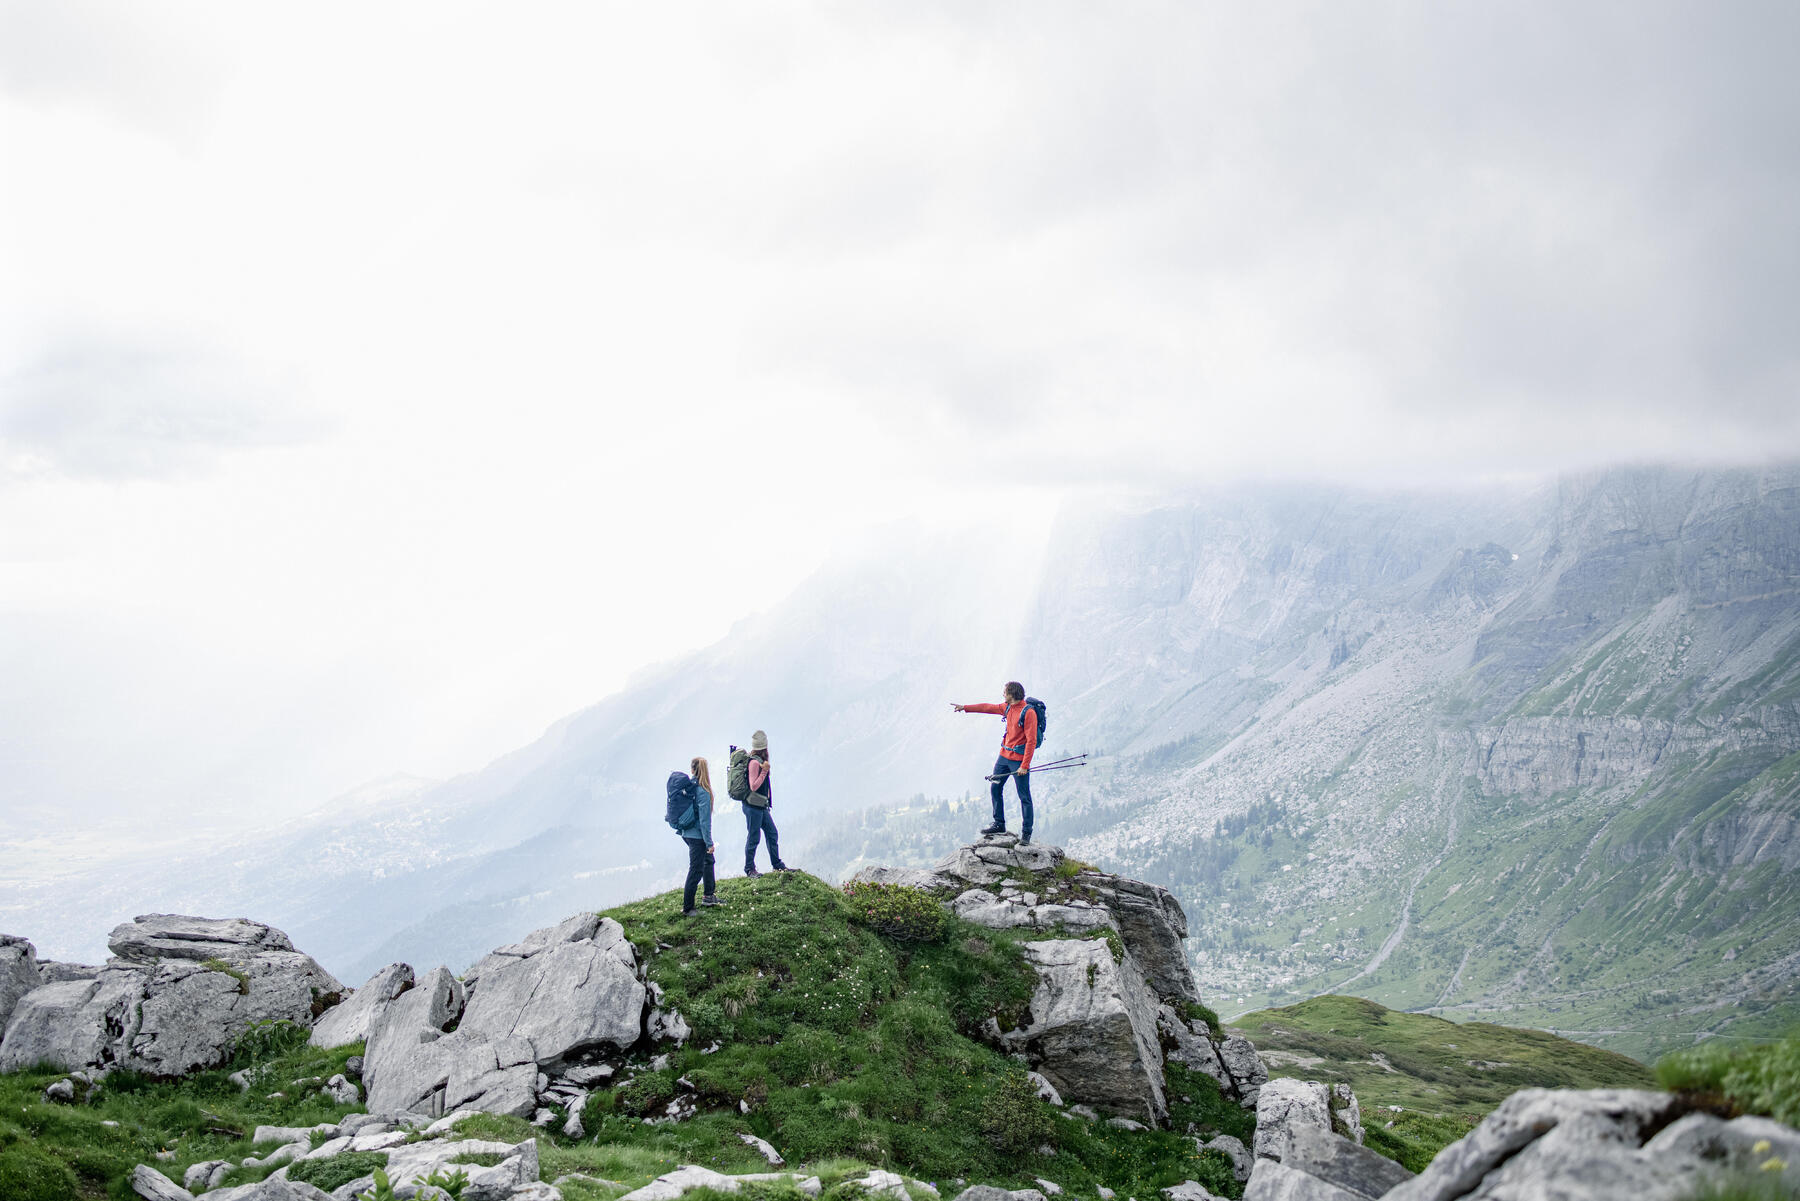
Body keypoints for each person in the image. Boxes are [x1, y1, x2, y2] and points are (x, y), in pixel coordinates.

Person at [952, 681, 1038, 845]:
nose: (1003, 694)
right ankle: (999, 824)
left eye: (1005, 692)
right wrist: (965, 707)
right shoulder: (1007, 707)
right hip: (1004, 756)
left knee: (1024, 796)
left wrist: (1024, 766)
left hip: (1018, 760)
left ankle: (1026, 833)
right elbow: (987, 707)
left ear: (1012, 694)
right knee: (995, 786)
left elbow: (1031, 741)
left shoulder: (1028, 713)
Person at [677, 756, 726, 915]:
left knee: (708, 861)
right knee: (696, 869)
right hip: (697, 836)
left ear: (692, 770)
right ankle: (688, 908)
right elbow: (705, 822)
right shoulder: (703, 791)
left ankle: (709, 896)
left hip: (686, 833)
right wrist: (709, 843)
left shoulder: (688, 788)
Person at [742, 729, 790, 876]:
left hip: (760, 806)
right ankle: (749, 869)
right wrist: (764, 772)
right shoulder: (755, 763)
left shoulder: (758, 761)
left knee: (771, 833)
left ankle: (777, 864)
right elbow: (754, 786)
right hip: (753, 807)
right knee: (754, 836)